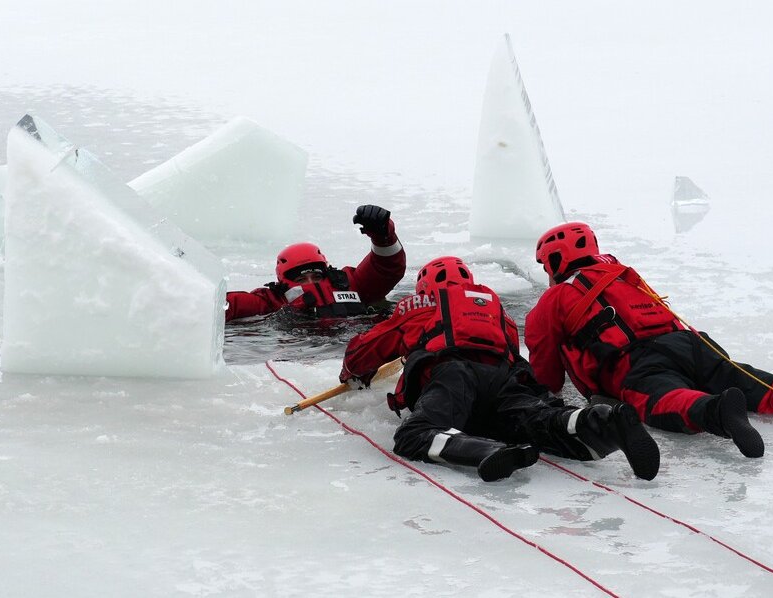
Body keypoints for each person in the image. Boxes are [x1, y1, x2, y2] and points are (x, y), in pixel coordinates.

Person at [523, 221, 773, 458]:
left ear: (554, 261)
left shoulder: (551, 301)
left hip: (633, 363)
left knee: (663, 399)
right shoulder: (623, 275)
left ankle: (717, 412)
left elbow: (547, 376)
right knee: (758, 384)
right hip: (691, 343)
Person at [338, 256, 660, 482]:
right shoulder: (493, 306)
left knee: (416, 435)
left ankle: (485, 452)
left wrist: (353, 374)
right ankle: (603, 421)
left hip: (453, 374)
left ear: (424, 286)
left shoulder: (421, 302)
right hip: (506, 379)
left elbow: (367, 348)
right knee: (538, 421)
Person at [225, 204, 406, 322]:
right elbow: (229, 305)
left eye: (316, 276)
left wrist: (383, 234)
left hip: (356, 342)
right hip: (304, 352)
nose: (310, 282)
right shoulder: (271, 300)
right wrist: (198, 302)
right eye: (302, 279)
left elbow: (387, 266)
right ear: (283, 280)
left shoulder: (352, 283)